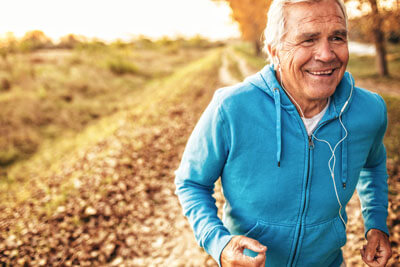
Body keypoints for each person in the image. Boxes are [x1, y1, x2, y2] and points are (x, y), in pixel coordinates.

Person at [174, 0, 392, 265]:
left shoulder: (369, 110)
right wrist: (219, 243)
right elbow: (192, 182)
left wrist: (376, 223)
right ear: (274, 51)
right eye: (308, 40)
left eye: (337, 37)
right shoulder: (231, 108)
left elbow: (374, 163)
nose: (326, 54)